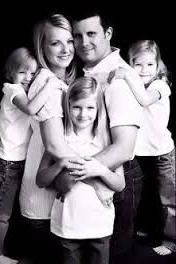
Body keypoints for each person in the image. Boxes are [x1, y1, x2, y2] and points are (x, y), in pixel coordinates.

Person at [48, 9, 144, 261]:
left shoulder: (119, 79)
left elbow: (123, 149)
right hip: (89, 174)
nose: (83, 43)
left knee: (113, 256)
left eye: (92, 34)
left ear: (108, 34)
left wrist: (73, 174)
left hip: (116, 172)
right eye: (77, 36)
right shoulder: (86, 71)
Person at [36, 76, 125, 264]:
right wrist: (60, 164)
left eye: (90, 107)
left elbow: (120, 184)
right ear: (68, 106)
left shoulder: (107, 143)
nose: (83, 114)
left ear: (98, 109)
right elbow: (40, 180)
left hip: (100, 224)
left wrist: (100, 169)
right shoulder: (60, 141)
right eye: (76, 107)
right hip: (67, 225)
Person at [18, 13, 76, 264]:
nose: (66, 49)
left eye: (70, 41)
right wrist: (96, 176)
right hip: (43, 201)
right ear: (41, 48)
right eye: (56, 43)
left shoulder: (59, 80)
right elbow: (53, 145)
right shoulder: (48, 84)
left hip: (50, 190)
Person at [0, 47, 55, 264]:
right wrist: (51, 84)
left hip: (15, 162)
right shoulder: (12, 89)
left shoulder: (23, 89)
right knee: (0, 213)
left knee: (8, 214)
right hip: (6, 163)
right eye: (22, 72)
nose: (28, 78)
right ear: (11, 73)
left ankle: (2, 250)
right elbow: (31, 109)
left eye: (33, 73)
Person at [120, 39, 175, 256]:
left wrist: (125, 74)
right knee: (144, 195)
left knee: (168, 199)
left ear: (158, 65)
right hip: (140, 151)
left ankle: (171, 241)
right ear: (131, 63)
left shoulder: (159, 85)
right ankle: (148, 229)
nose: (144, 70)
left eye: (150, 65)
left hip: (162, 152)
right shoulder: (135, 86)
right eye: (138, 64)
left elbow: (144, 100)